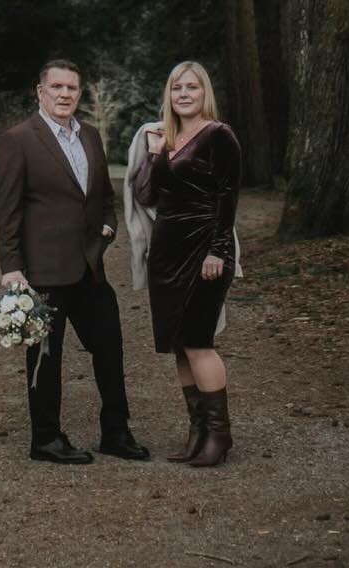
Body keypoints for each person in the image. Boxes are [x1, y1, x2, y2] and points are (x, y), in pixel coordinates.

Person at [0, 58, 150, 465]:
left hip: (89, 269)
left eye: (72, 88)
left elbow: (102, 197)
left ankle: (115, 432)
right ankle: (45, 438)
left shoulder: (91, 136)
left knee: (109, 347)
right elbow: (7, 212)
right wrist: (11, 269)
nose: (65, 94)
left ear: (79, 93)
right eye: (56, 87)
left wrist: (109, 226)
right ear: (40, 91)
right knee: (45, 356)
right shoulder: (19, 139)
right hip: (42, 273)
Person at [130, 60, 242, 467]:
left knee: (199, 340)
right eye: (176, 87)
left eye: (191, 87)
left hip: (204, 250)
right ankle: (197, 431)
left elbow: (227, 198)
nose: (183, 94)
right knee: (179, 346)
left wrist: (219, 251)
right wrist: (157, 155)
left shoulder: (219, 136)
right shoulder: (162, 137)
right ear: (169, 95)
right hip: (166, 253)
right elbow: (145, 194)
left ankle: (219, 434)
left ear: (204, 92)